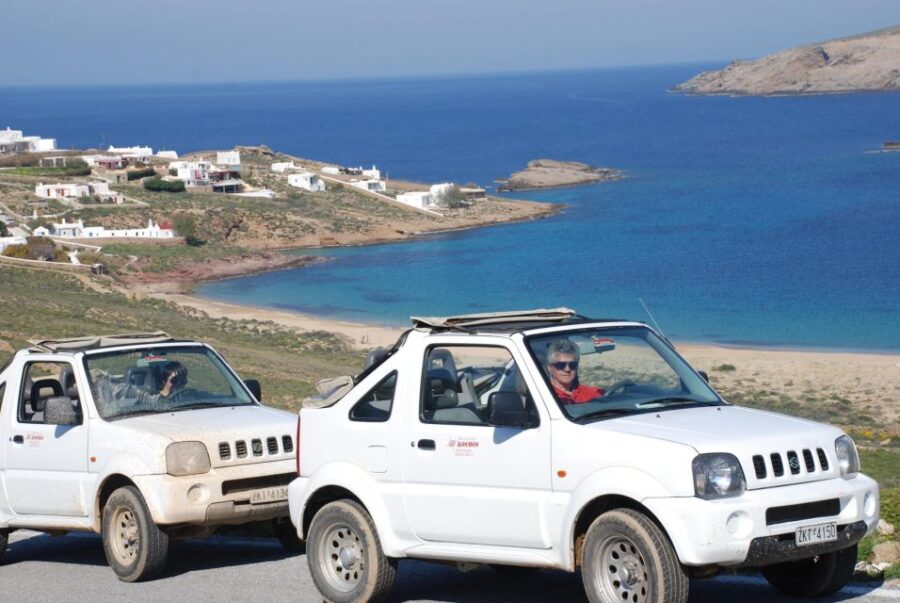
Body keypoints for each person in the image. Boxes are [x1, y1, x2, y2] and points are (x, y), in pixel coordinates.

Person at [545, 338, 604, 403]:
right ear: (550, 368)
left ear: (577, 366)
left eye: (572, 364)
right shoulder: (545, 396)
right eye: (561, 365)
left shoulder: (592, 394)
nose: (567, 369)